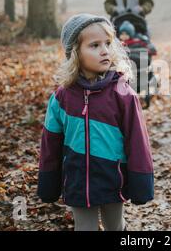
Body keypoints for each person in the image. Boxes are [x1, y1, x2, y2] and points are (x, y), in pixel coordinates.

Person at [37, 13, 154, 231]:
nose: (105, 51)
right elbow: (50, 144)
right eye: (94, 45)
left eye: (108, 43)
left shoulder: (123, 94)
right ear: (75, 53)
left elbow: (138, 140)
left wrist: (140, 181)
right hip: (76, 181)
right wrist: (49, 181)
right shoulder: (62, 98)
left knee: (115, 227)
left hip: (112, 177)